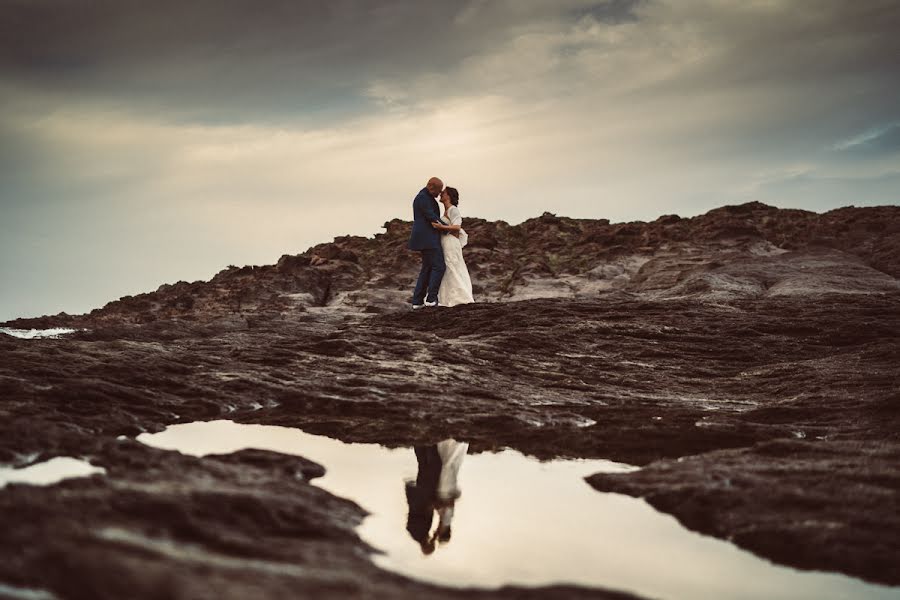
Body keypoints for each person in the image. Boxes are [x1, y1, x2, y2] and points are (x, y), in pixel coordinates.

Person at [431, 187, 474, 307]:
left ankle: (460, 298)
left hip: (450, 242)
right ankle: (448, 298)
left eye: (443, 193)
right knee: (447, 267)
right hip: (445, 241)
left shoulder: (453, 210)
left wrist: (440, 227)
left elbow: (457, 227)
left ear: (448, 196)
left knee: (452, 265)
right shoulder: (446, 211)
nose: (440, 194)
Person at [408, 177, 446, 309]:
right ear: (431, 186)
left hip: (427, 238)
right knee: (439, 267)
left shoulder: (425, 197)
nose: (439, 193)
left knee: (427, 268)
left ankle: (418, 301)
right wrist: (448, 229)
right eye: (438, 190)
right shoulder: (423, 198)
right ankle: (431, 299)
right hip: (428, 239)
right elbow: (431, 217)